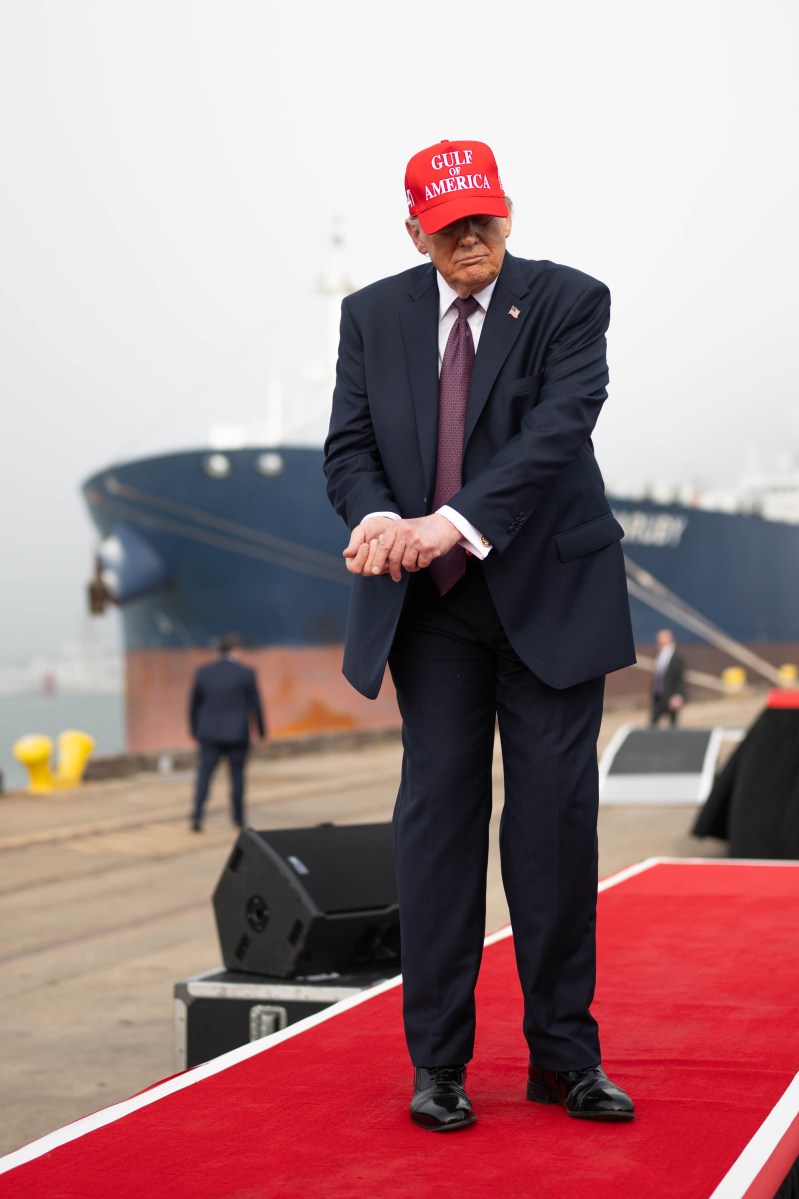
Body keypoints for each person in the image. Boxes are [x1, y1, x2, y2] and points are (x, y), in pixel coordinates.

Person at [324, 138, 636, 1131]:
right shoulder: (370, 316)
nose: (471, 234)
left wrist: (444, 522)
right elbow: (349, 448)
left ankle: (562, 1057)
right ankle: (438, 1064)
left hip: (547, 594)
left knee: (551, 827)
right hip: (431, 612)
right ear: (412, 227)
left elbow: (559, 427)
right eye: (450, 219)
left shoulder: (567, 301)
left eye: (485, 215)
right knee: (437, 826)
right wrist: (374, 516)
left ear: (506, 213)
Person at [188, 633, 266, 831]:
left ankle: (197, 816)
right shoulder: (246, 672)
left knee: (204, 776)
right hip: (237, 734)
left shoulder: (204, 672)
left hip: (209, 733)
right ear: (236, 650)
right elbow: (256, 705)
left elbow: (193, 705)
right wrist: (262, 732)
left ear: (218, 651)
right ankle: (238, 820)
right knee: (237, 778)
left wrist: (194, 730)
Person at [650, 628, 687, 726]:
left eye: (662, 637)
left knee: (672, 725)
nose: (658, 639)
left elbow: (679, 679)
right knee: (653, 722)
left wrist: (678, 696)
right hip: (659, 695)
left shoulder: (676, 658)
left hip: (671, 696)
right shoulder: (659, 655)